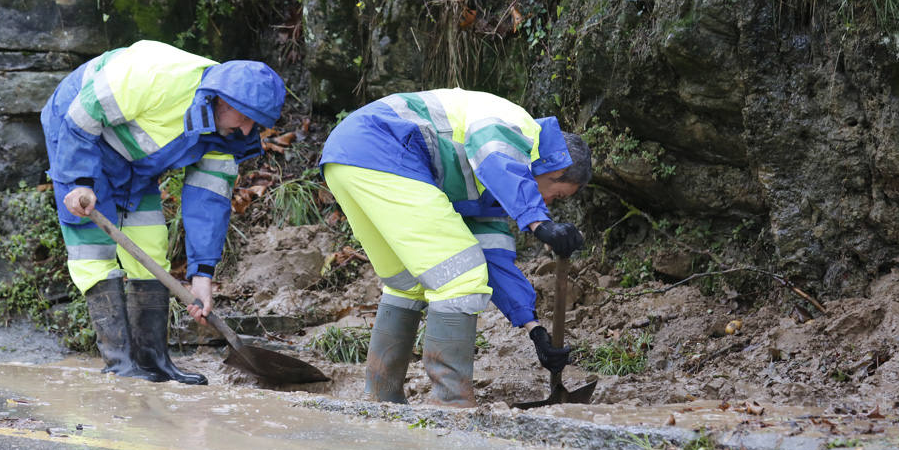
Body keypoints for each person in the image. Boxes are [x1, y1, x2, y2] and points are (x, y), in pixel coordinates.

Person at [319, 88, 590, 407]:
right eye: (555, 195)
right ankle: (451, 406)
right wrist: (537, 222)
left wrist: (534, 331)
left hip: (347, 158)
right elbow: (495, 155)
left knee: (409, 282)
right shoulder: (517, 126)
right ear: (552, 167)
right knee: (461, 279)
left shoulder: (490, 195)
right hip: (384, 149)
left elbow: (496, 263)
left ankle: (381, 400)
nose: (548, 203)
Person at [41, 40, 286, 385]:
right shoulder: (154, 75)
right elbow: (82, 118)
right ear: (222, 99)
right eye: (245, 117)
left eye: (255, 124)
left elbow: (208, 202)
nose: (247, 130)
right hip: (78, 137)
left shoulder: (226, 134)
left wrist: (202, 275)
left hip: (133, 167)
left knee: (152, 244)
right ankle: (121, 363)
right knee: (92, 249)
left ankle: (153, 360)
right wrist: (79, 181)